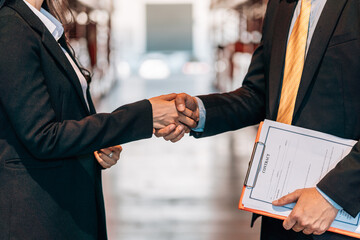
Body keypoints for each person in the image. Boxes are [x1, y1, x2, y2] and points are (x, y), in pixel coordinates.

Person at [157, 0, 360, 239]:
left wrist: (333, 194)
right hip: (280, 206)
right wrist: (198, 112)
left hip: (342, 209)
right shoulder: (281, 6)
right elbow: (259, 94)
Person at [0, 0, 197, 239]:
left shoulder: (42, 23)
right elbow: (43, 136)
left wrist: (95, 143)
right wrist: (146, 114)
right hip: (37, 215)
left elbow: (63, 118)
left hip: (64, 204)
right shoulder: (11, 26)